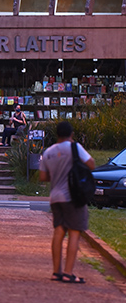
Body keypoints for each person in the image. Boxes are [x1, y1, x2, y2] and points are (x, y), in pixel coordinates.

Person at [39, 121, 95, 284]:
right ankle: (68, 272)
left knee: (59, 231)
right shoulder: (74, 147)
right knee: (75, 232)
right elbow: (91, 164)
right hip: (72, 196)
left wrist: (56, 175)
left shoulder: (48, 152)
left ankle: (56, 271)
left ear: (57, 134)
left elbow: (43, 177)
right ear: (71, 134)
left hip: (55, 197)